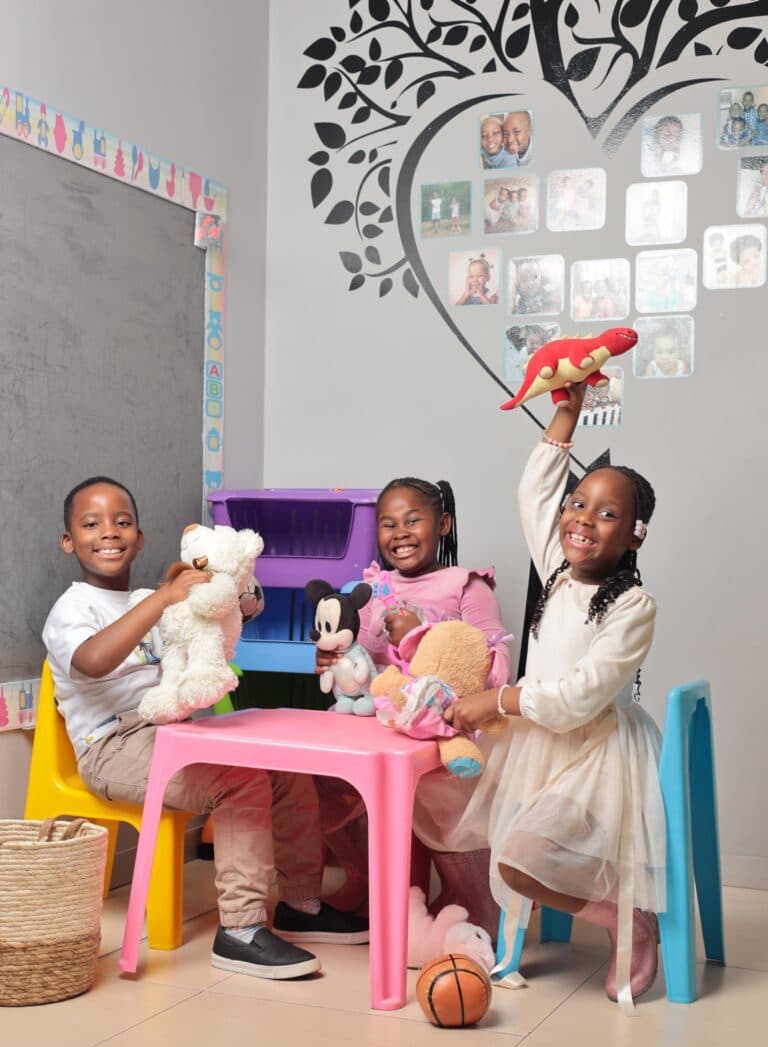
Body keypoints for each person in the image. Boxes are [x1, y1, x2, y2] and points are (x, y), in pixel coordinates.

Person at [43, 476, 369, 981]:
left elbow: (214, 627)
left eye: (122, 522)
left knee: (281, 766)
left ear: (141, 537)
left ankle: (300, 904)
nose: (109, 532)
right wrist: (164, 598)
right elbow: (92, 660)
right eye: (91, 524)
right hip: (110, 746)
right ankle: (239, 930)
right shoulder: (73, 608)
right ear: (69, 540)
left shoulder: (154, 600)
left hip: (168, 730)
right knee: (237, 781)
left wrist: (232, 595)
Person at [437, 385, 666, 1006]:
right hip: (539, 742)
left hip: (596, 751)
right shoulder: (559, 568)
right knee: (498, 847)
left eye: (607, 513)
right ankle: (518, 938)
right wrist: (569, 405)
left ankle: (629, 920)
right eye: (578, 504)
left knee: (522, 854)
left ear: (635, 537)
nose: (583, 519)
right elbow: (534, 490)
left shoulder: (632, 605)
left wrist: (503, 700)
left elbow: (581, 698)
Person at [315, 476, 513, 939]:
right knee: (319, 778)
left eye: (412, 520)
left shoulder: (466, 585)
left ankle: (476, 901)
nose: (399, 533)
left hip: (446, 730)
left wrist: (414, 636)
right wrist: (332, 657)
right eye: (388, 524)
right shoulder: (373, 588)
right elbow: (358, 658)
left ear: (441, 524)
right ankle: (364, 879)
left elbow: (494, 668)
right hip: (383, 724)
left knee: (439, 794)